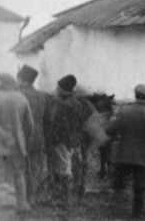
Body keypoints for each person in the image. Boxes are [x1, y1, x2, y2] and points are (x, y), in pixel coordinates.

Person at [107, 84, 145, 219]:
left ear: (135, 94)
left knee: (119, 183)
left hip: (124, 153)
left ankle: (116, 211)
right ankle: (136, 214)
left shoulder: (123, 111)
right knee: (140, 187)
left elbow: (110, 129)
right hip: (144, 155)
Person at [0, 73, 34, 213]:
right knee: (19, 174)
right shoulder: (21, 98)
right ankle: (22, 204)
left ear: (1, 83)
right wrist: (24, 141)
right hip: (17, 144)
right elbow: (29, 124)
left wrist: (3, 136)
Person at [45, 75, 95, 209]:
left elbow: (55, 123)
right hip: (74, 140)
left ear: (63, 89)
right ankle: (73, 196)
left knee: (63, 170)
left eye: (58, 87)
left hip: (61, 140)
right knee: (71, 167)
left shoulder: (61, 104)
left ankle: (64, 200)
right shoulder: (78, 103)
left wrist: (51, 140)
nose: (56, 89)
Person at [16, 64, 52, 205]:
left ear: (22, 79)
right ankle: (33, 197)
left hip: (22, 136)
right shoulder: (43, 96)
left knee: (22, 168)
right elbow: (48, 120)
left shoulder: (18, 95)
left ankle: (24, 197)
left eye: (18, 78)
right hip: (38, 137)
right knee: (36, 168)